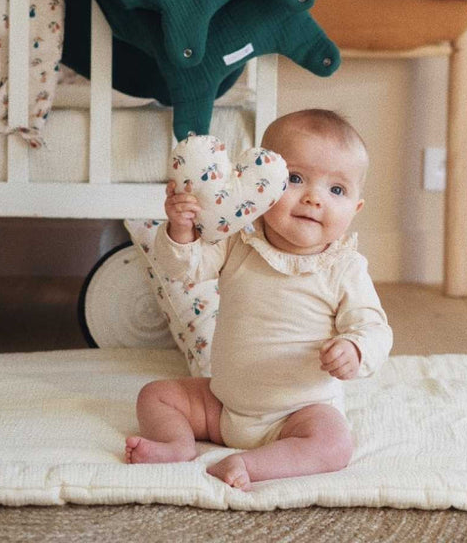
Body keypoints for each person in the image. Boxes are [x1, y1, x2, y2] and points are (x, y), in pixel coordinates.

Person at [125, 109, 392, 490]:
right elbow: (183, 269)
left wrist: (356, 348)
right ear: (263, 186)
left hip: (298, 412)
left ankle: (252, 463)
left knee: (334, 444)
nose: (314, 198)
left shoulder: (344, 267)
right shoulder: (239, 241)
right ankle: (176, 443)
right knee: (156, 395)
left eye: (337, 190)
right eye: (296, 179)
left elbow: (374, 327)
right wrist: (181, 231)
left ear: (356, 208)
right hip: (222, 403)